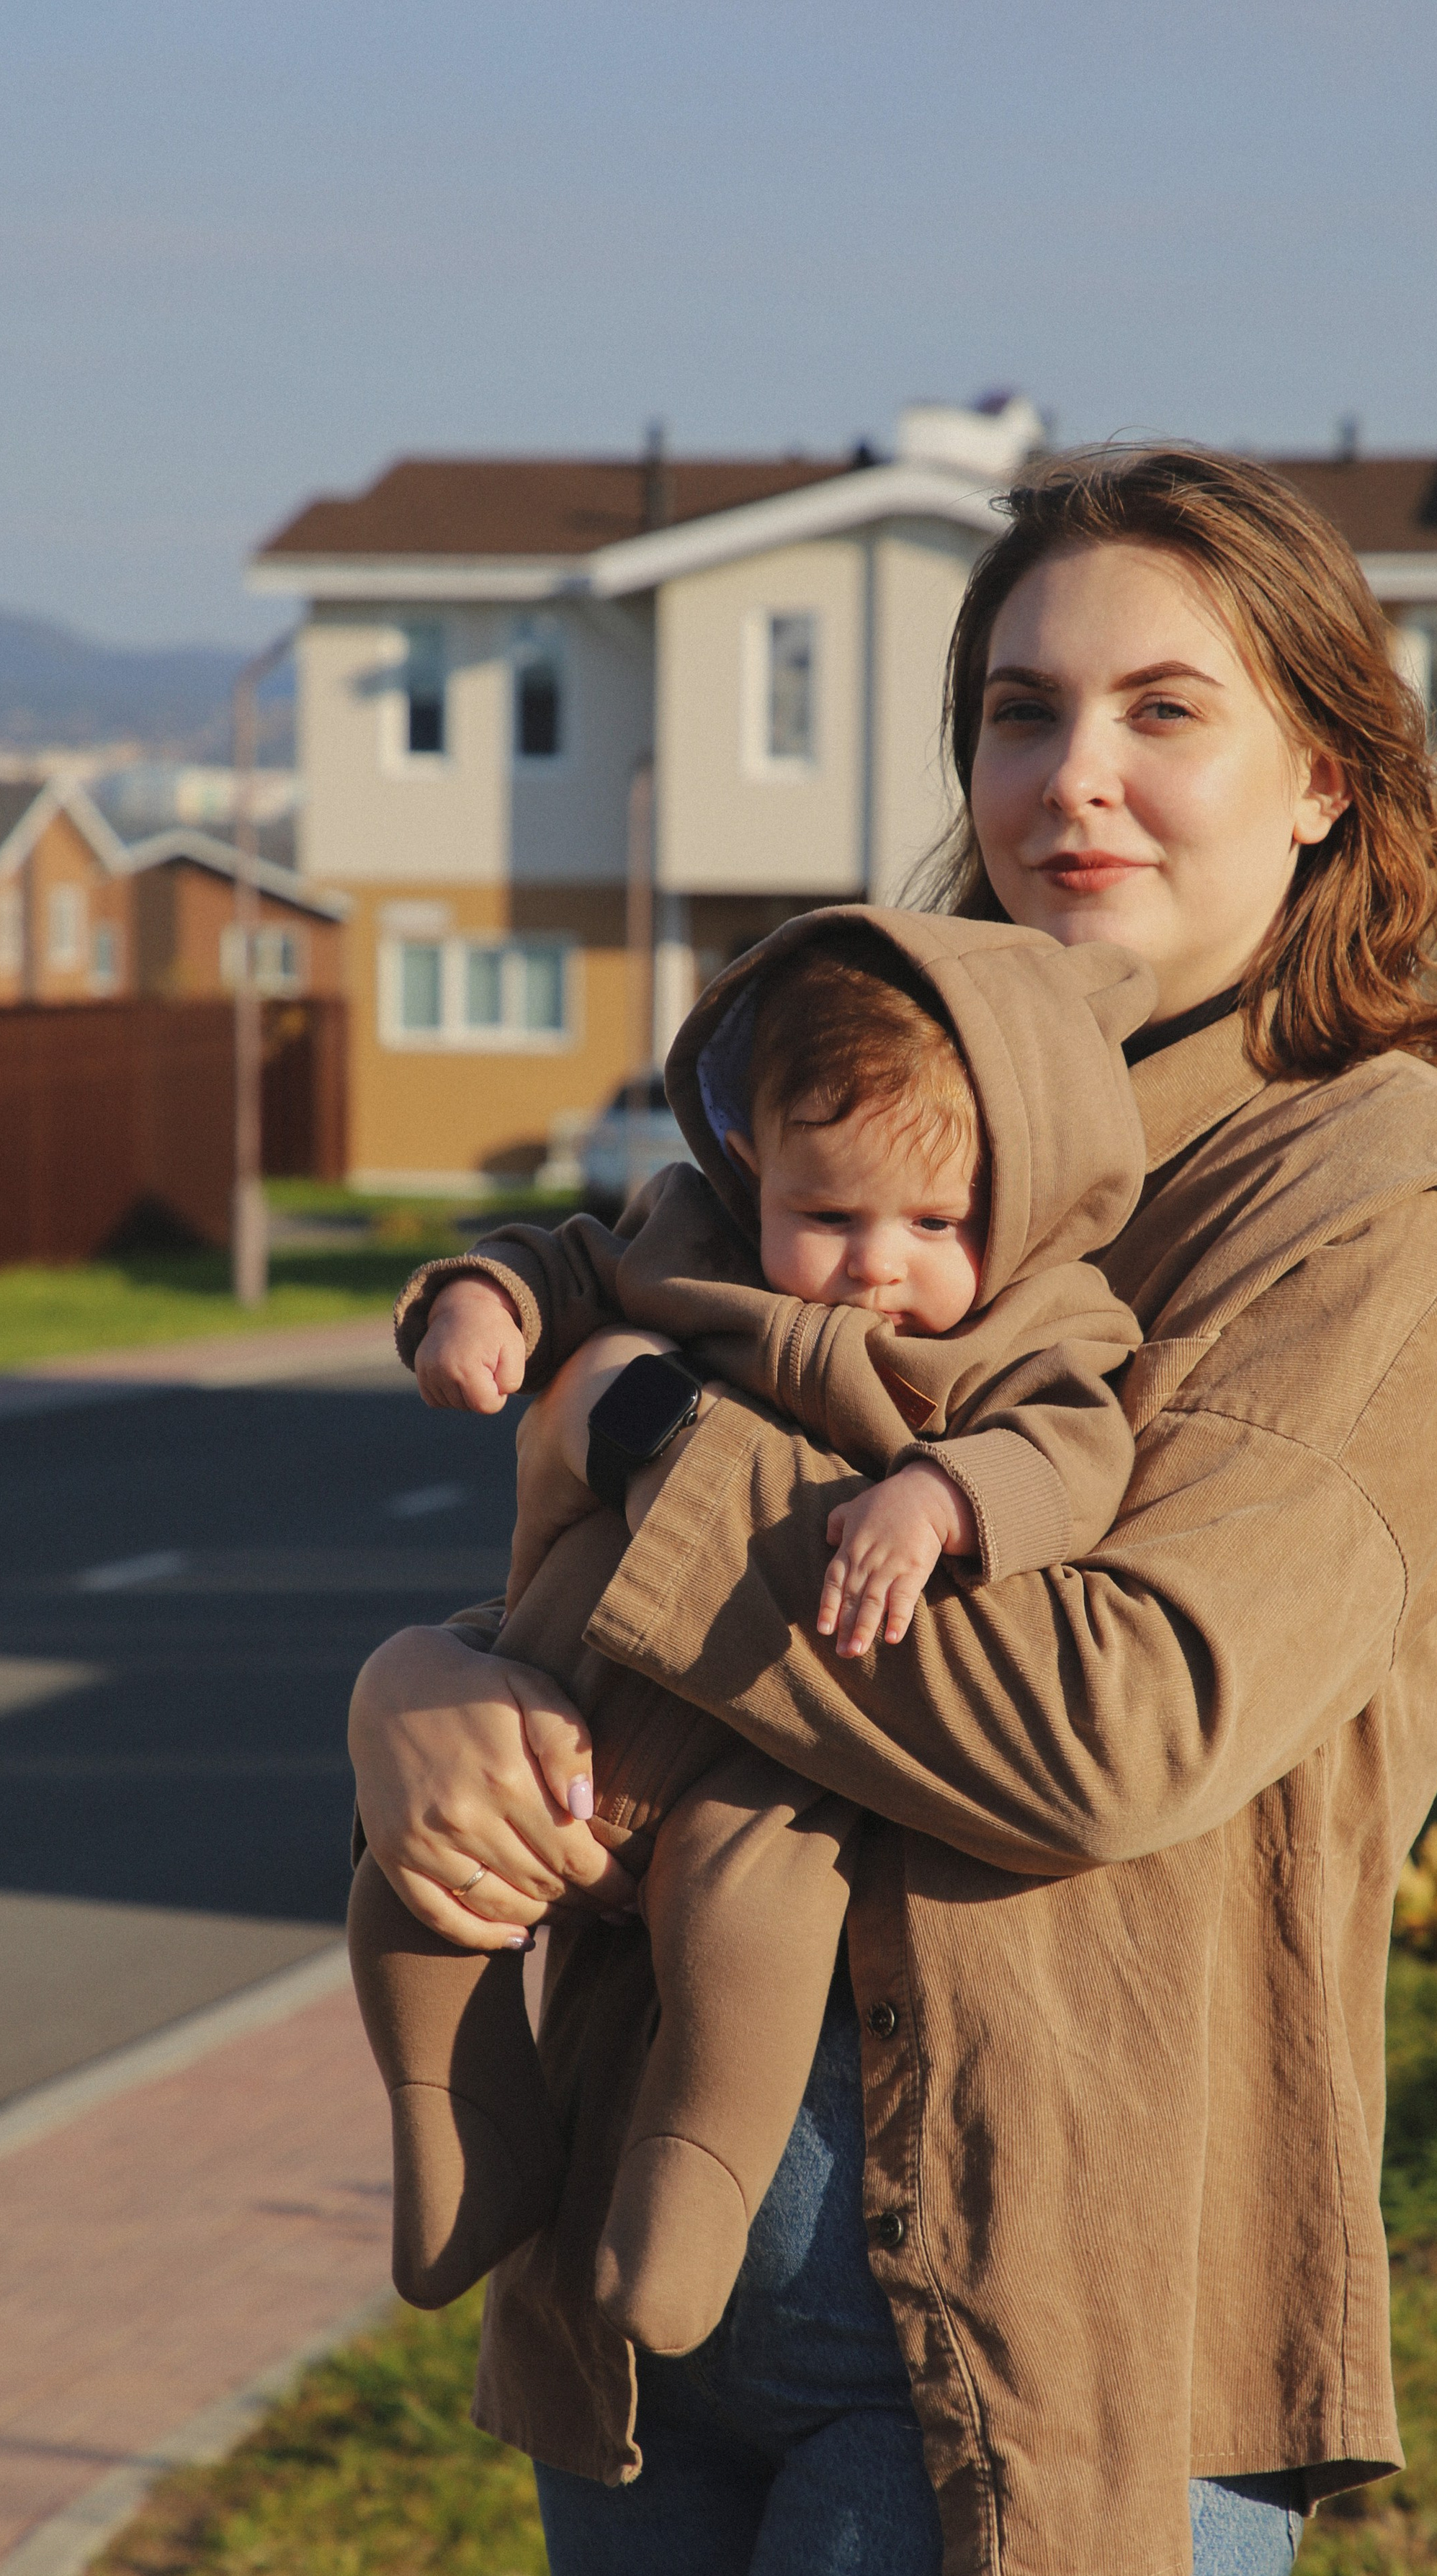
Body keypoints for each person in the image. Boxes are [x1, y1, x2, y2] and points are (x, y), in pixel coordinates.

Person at [346, 444, 1437, 2576]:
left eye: (1163, 711)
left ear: (1327, 778)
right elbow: (597, 1570)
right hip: (642, 2281)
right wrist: (418, 1697)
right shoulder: (863, 1115)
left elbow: (1107, 1723)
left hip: (1047, 2329)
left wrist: (635, 1428)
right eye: (1021, 711)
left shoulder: (1390, 1195)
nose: (1071, 775)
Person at [351, 909, 1152, 2353]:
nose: (873, 1266)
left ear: (1014, 1200)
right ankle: (462, 2134)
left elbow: (1074, 1452)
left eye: (934, 1224)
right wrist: (476, 1303)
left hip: (764, 1749)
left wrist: (945, 1498)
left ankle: (689, 2199)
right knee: (420, 1887)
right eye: (827, 1216)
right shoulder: (692, 1238)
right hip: (559, 1689)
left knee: (749, 1925)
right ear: (750, 1162)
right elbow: (564, 1260)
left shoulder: (1037, 1324)